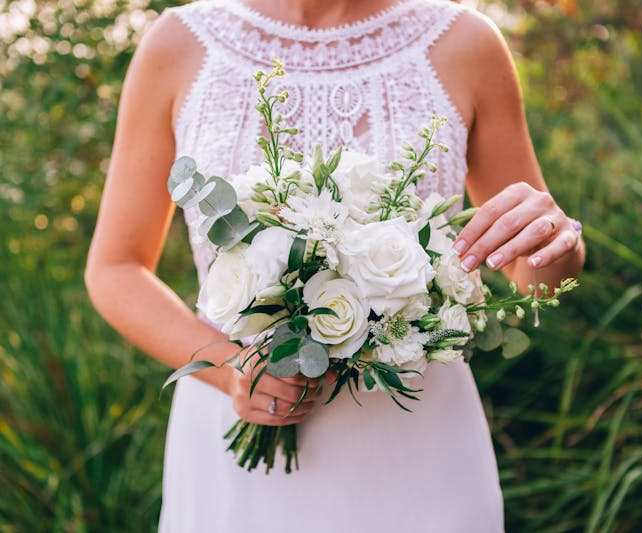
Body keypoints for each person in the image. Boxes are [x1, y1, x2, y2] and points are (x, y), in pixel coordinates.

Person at [85, 0, 585, 531]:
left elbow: (534, 277)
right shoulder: (180, 43)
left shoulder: (465, 43)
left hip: (417, 447)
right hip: (240, 435)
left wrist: (556, 239)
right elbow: (115, 268)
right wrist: (233, 370)